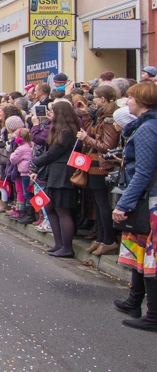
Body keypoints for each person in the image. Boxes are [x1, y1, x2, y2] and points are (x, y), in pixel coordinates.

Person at [112, 81, 157, 331]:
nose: (127, 102)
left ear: (140, 101)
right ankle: (134, 300)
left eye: (129, 98)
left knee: (150, 257)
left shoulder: (149, 128)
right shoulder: (145, 126)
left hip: (149, 200)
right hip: (146, 197)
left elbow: (144, 171)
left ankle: (153, 315)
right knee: (140, 252)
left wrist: (125, 203)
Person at [30, 100, 81, 257]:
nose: (50, 113)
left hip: (63, 173)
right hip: (55, 172)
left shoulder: (67, 132)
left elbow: (54, 152)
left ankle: (67, 247)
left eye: (53, 111)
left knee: (62, 210)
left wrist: (36, 163)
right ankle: (58, 243)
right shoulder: (59, 130)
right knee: (50, 208)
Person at [78, 85, 120, 255]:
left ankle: (108, 240)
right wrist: (87, 114)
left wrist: (86, 139)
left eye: (95, 97)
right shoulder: (101, 116)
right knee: (98, 203)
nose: (93, 100)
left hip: (101, 166)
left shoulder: (109, 119)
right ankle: (101, 238)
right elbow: (91, 131)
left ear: (103, 99)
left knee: (102, 204)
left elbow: (107, 146)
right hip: (94, 164)